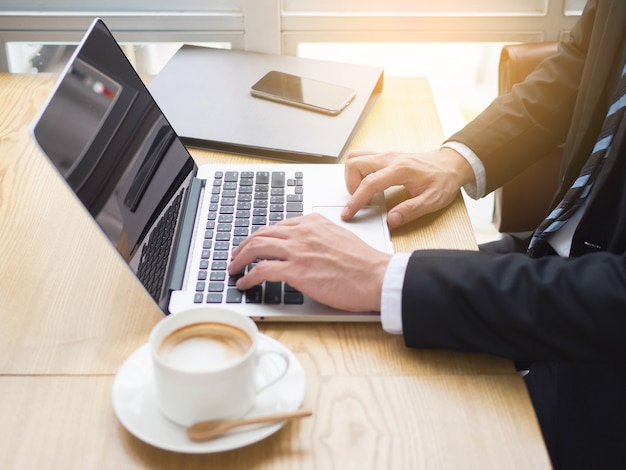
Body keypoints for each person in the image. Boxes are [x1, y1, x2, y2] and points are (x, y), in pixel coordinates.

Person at [228, 1, 626, 467]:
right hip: (550, 264)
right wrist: (454, 160)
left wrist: (383, 277)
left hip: (600, 381)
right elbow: (583, 62)